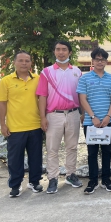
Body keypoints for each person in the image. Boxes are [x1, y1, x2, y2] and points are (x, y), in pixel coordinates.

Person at [36, 40, 82, 194]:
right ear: (54, 52)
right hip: (53, 115)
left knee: (72, 147)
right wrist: (43, 117)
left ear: (69, 52)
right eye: (58, 49)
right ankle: (53, 178)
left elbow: (82, 95)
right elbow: (42, 96)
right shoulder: (47, 72)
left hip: (73, 114)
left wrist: (82, 113)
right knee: (52, 149)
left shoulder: (77, 71)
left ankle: (70, 175)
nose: (61, 52)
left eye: (64, 49)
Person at [0, 51, 44, 198]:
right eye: (21, 61)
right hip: (15, 128)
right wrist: (3, 124)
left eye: (27, 61)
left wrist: (43, 119)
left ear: (31, 63)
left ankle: (34, 182)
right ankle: (15, 185)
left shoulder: (38, 79)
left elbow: (43, 100)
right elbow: (2, 104)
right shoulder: (6, 81)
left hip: (35, 125)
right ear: (14, 63)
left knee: (36, 157)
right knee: (14, 159)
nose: (24, 63)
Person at [77, 48, 111, 194]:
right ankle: (93, 180)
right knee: (92, 153)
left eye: (102, 59)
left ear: (106, 61)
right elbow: (82, 99)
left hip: (108, 122)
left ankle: (106, 179)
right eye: (97, 59)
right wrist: (93, 117)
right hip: (90, 122)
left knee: (107, 151)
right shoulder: (85, 78)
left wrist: (107, 116)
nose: (100, 62)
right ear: (92, 61)